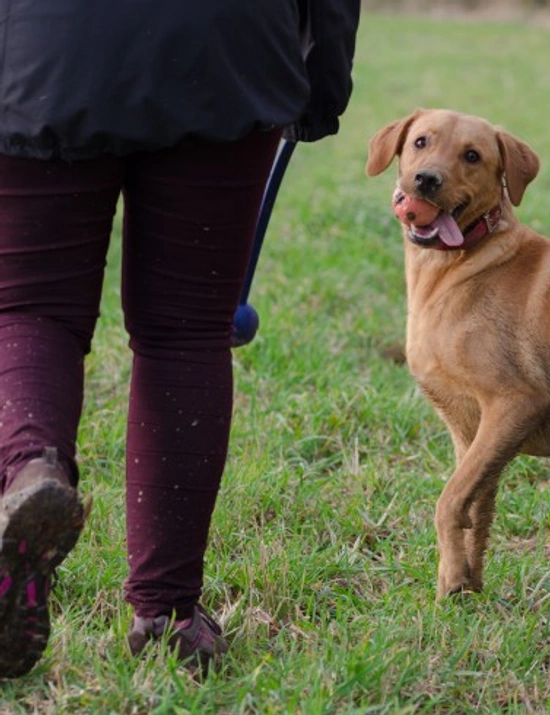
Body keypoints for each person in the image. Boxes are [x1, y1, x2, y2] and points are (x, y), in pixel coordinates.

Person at [0, 0, 361, 677]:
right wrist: (323, 83)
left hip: (41, 48)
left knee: (30, 308)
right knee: (186, 330)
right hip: (228, 50)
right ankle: (167, 616)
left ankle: (30, 473)